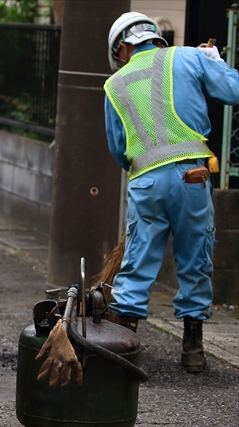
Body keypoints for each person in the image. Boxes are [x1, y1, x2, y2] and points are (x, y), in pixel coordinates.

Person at [104, 12, 239, 373]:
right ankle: (192, 350)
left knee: (137, 261)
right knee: (195, 257)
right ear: (154, 37)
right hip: (192, 178)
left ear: (123, 47)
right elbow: (232, 91)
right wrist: (216, 61)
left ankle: (122, 347)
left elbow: (119, 148)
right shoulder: (189, 57)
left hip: (145, 181)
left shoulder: (114, 85)